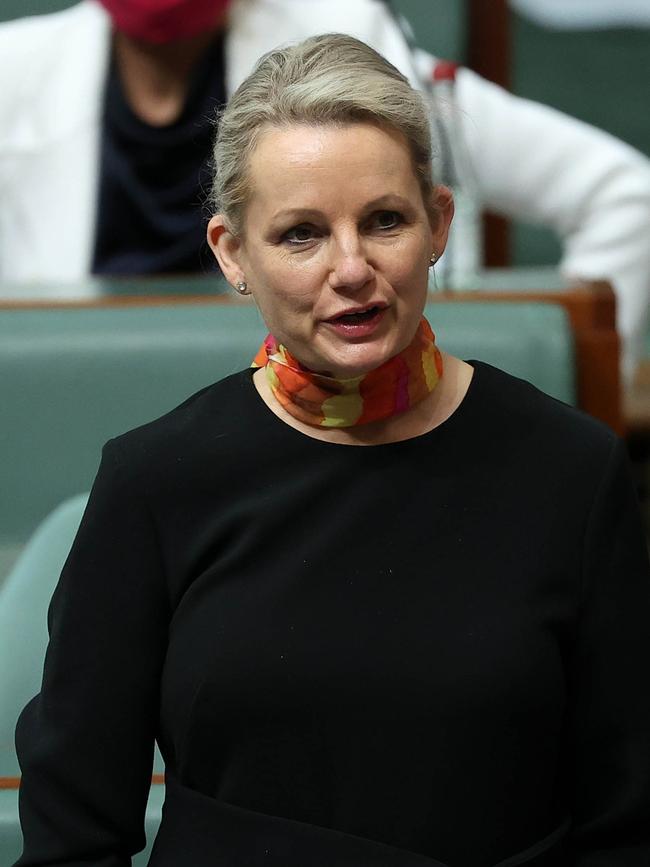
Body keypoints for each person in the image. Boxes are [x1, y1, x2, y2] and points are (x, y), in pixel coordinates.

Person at [14, 32, 650, 867]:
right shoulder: (152, 482)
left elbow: (628, 827)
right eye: (302, 234)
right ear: (233, 254)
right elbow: (73, 838)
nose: (351, 268)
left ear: (439, 224)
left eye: (384, 220)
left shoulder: (573, 470)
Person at [0, 0, 649, 383]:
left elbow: (626, 197)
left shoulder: (345, 35)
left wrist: (553, 386)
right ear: (226, 249)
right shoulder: (14, 71)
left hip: (337, 438)